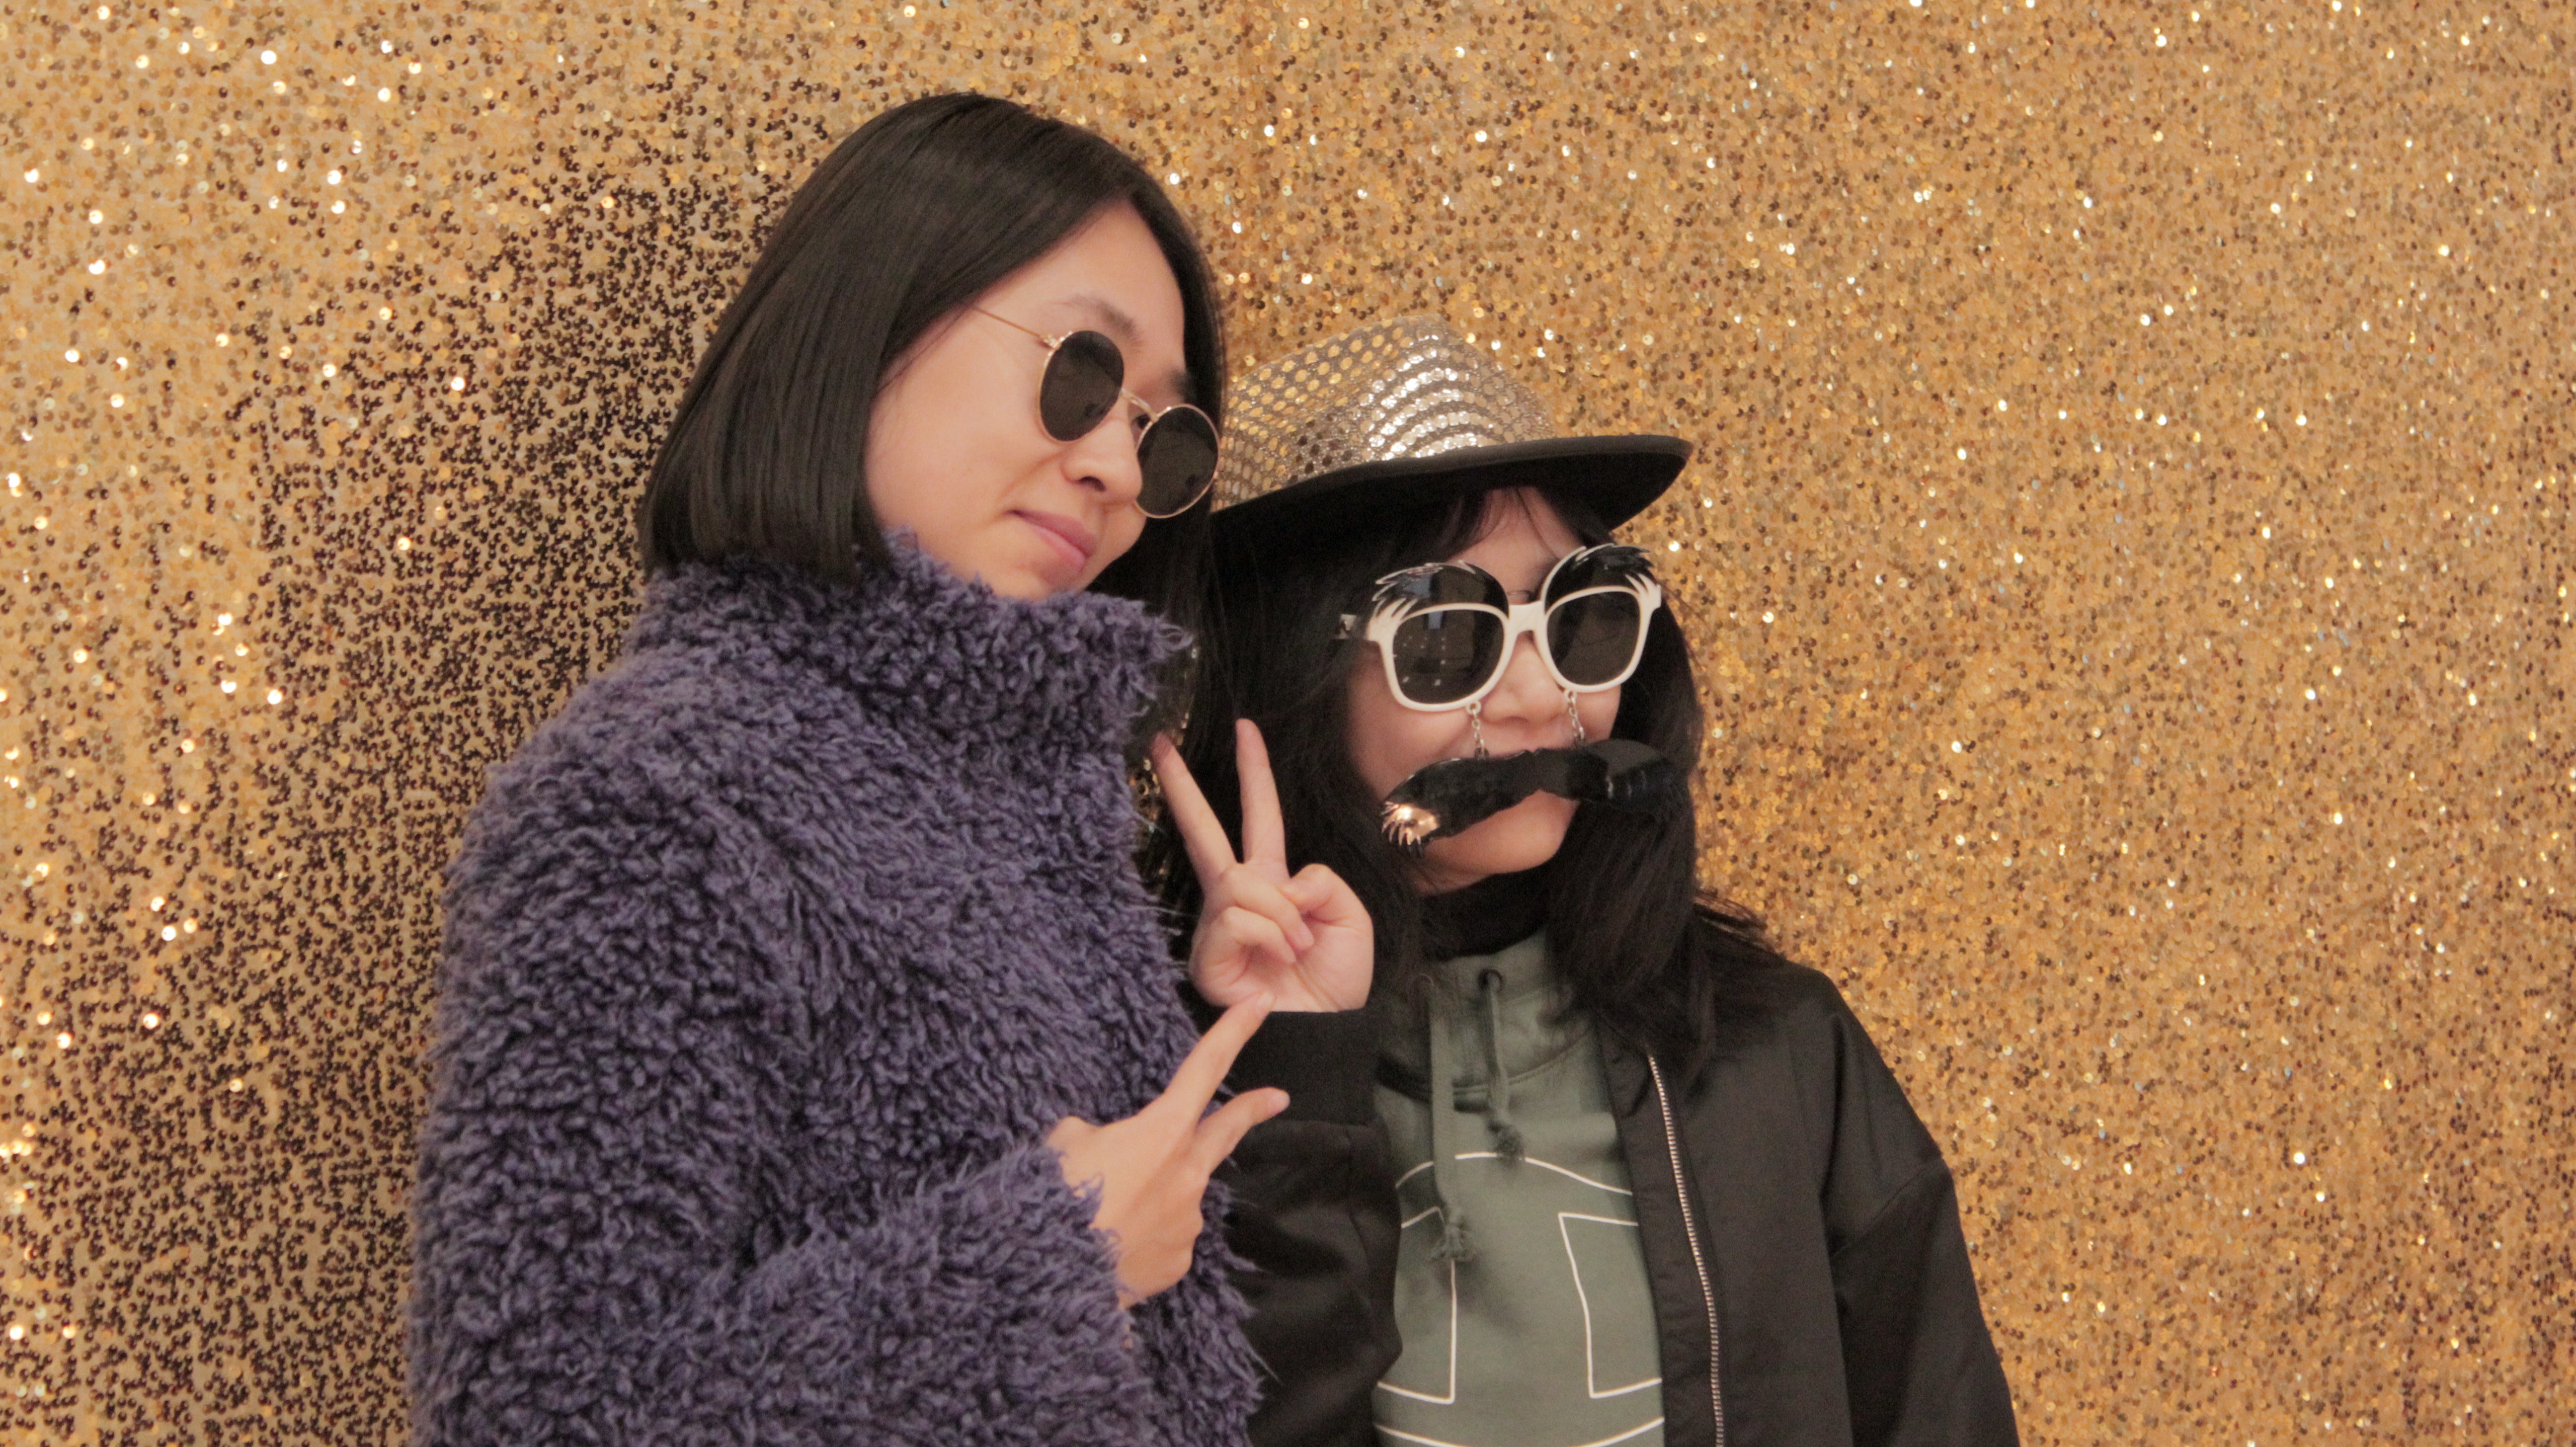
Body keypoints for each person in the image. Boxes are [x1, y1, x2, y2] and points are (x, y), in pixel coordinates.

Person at [410, 94, 1365, 1447]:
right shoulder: (659, 799)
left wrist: (1280, 1042)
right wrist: (1040, 1266)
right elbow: (533, 1411)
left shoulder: (1045, 796)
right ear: (869, 323)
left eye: (1165, 437)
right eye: (1082, 371)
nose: (1111, 466)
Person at [1153, 317, 2020, 1447]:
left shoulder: (1786, 1056)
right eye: (1451, 639)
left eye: (1582, 621)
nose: (1533, 700)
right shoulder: (1154, 1083)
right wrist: (1295, 1078)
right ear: (1293, 675)